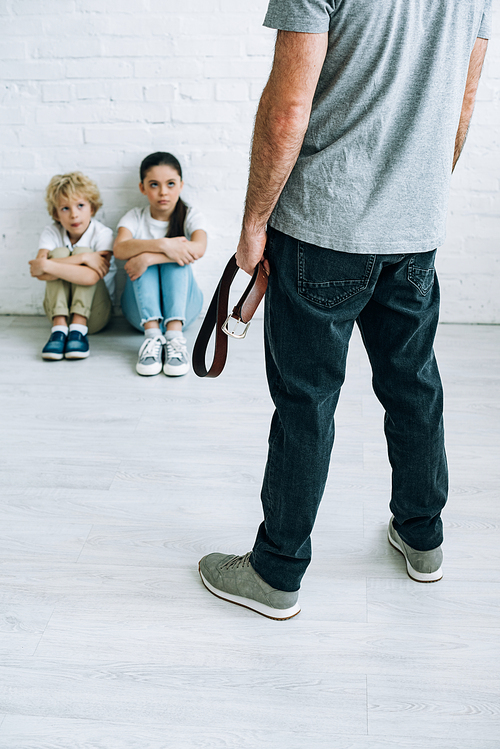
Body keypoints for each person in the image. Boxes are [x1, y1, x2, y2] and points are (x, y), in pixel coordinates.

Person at [199, 0, 491, 620]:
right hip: (413, 232)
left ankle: (276, 570)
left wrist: (253, 225)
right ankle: (423, 536)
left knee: (307, 401)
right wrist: (415, 202)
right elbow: (461, 107)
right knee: (413, 385)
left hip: (321, 230)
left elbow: (286, 114)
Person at [113, 152, 207, 377]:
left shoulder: (191, 215)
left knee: (171, 261)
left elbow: (199, 248)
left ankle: (175, 338)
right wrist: (163, 244)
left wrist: (148, 257)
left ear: (181, 185)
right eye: (154, 184)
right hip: (141, 315)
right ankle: (152, 338)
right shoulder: (135, 217)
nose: (163, 192)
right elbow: (119, 248)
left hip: (185, 311)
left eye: (170, 184)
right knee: (143, 262)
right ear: (142, 187)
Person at [30, 172, 115, 360]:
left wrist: (48, 264)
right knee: (61, 252)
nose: (74, 214)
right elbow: (37, 269)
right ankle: (59, 329)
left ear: (92, 208)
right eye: (65, 208)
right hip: (57, 313)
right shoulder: (52, 232)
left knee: (66, 256)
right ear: (56, 214)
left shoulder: (102, 234)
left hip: (95, 315)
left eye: (80, 206)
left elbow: (91, 277)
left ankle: (78, 328)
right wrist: (85, 258)